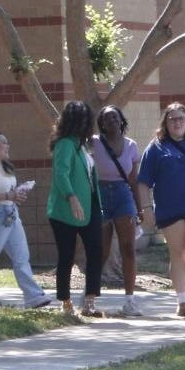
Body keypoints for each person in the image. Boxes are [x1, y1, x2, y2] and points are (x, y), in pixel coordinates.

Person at [0, 131, 52, 306]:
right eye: (4, 143)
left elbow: (8, 193)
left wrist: (17, 194)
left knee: (21, 256)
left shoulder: (5, 167)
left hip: (11, 214)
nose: (8, 146)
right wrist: (10, 195)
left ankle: (33, 296)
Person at [137, 103, 185, 318]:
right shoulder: (156, 147)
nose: (177, 122)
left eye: (181, 118)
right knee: (178, 253)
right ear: (165, 123)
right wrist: (147, 209)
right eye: (172, 119)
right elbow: (143, 182)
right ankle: (182, 300)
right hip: (169, 207)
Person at [47, 100, 103, 321]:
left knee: (96, 252)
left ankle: (90, 301)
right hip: (65, 210)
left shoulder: (84, 145)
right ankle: (65, 301)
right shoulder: (65, 144)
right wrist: (72, 198)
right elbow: (61, 174)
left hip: (91, 206)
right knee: (66, 256)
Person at [91, 105, 143, 316]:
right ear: (101, 123)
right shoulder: (93, 143)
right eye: (106, 118)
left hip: (123, 195)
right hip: (100, 193)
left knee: (128, 248)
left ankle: (129, 301)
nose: (111, 121)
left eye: (115, 117)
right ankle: (90, 297)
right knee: (101, 251)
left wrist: (139, 208)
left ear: (122, 120)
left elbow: (133, 180)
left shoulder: (131, 145)